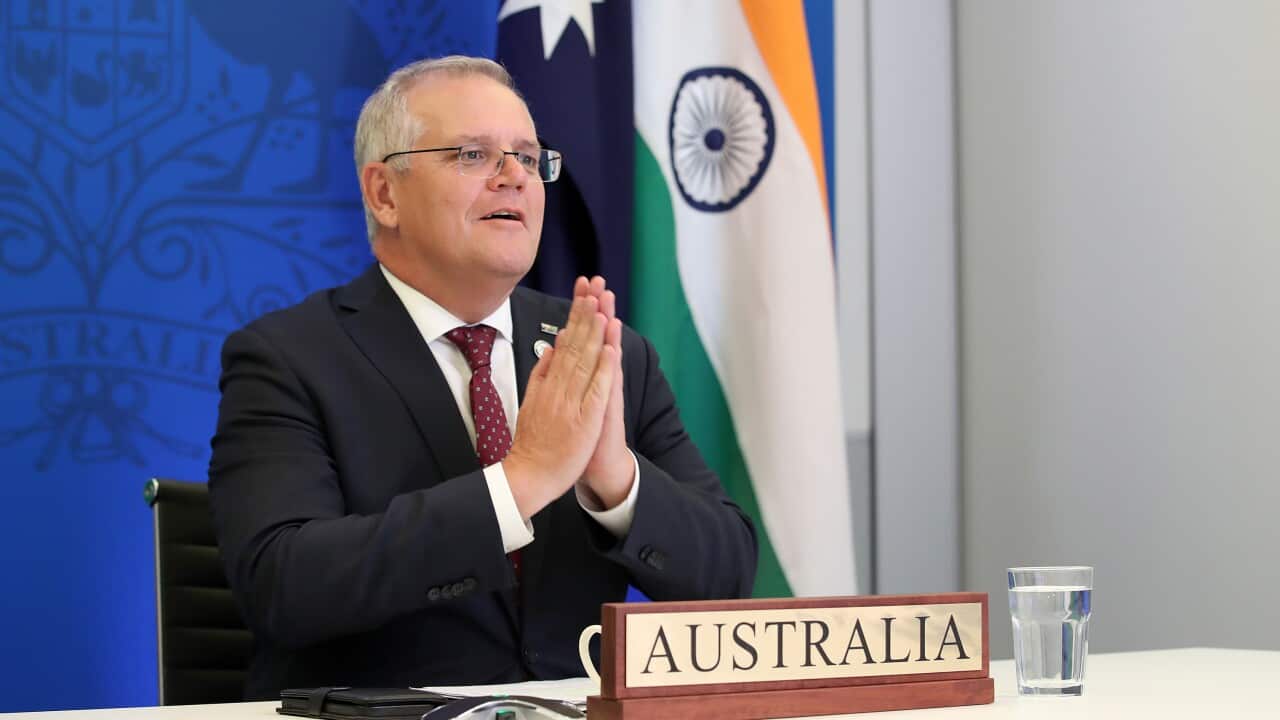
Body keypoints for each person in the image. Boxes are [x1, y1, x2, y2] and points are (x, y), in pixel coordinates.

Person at [207, 55, 757, 700]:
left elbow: (728, 577)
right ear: (384, 194)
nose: (514, 177)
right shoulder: (287, 358)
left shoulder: (604, 352)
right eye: (473, 155)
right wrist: (522, 481)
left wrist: (615, 480)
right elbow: (282, 587)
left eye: (528, 157)